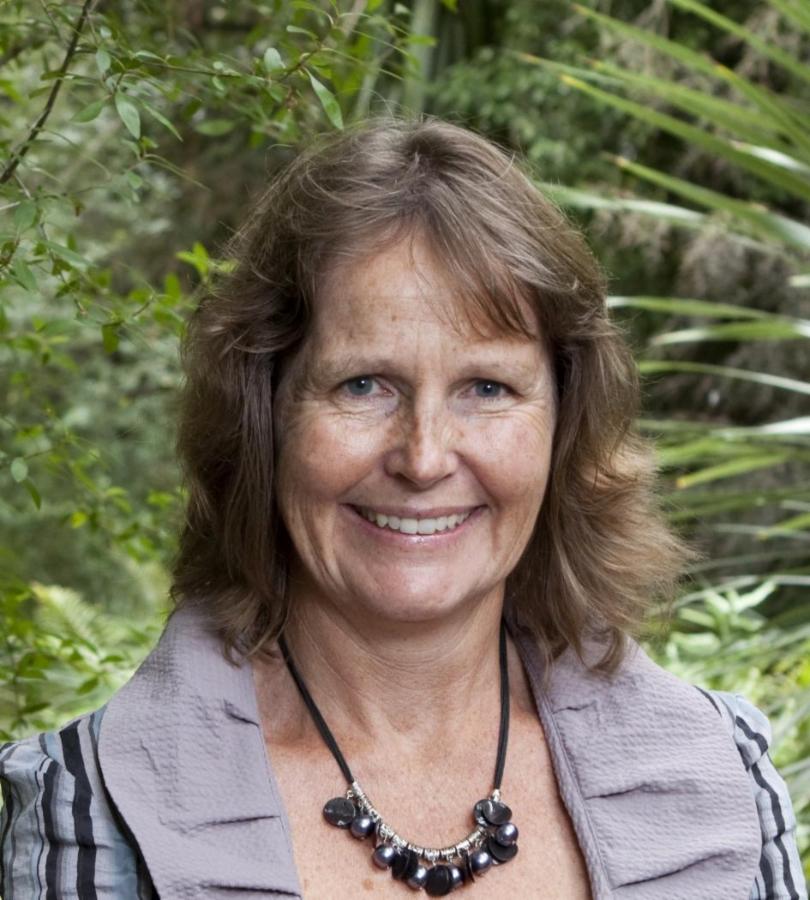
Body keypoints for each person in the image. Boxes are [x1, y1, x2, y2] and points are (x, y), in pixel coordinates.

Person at [0, 117, 806, 900]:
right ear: (264, 415)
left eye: (487, 388)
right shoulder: (95, 806)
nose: (423, 458)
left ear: (564, 426)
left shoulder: (719, 775)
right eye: (363, 385)